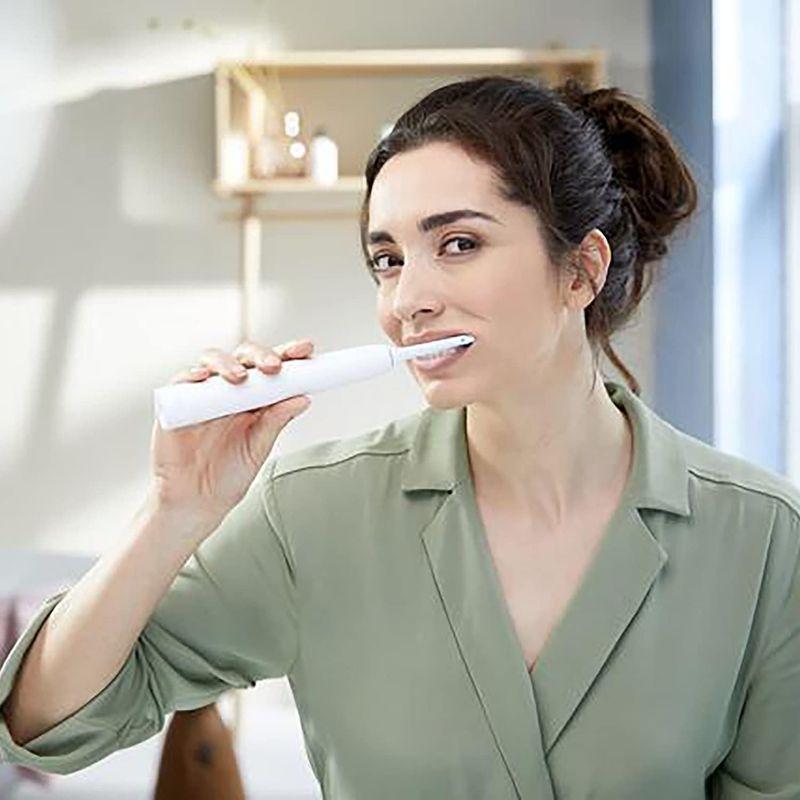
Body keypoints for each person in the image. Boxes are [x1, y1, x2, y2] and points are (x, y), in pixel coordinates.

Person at [1, 75, 799, 799]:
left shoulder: (762, 536)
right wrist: (174, 510)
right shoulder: (313, 512)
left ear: (581, 270)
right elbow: (47, 723)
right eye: (387, 259)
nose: (406, 300)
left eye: (458, 244)